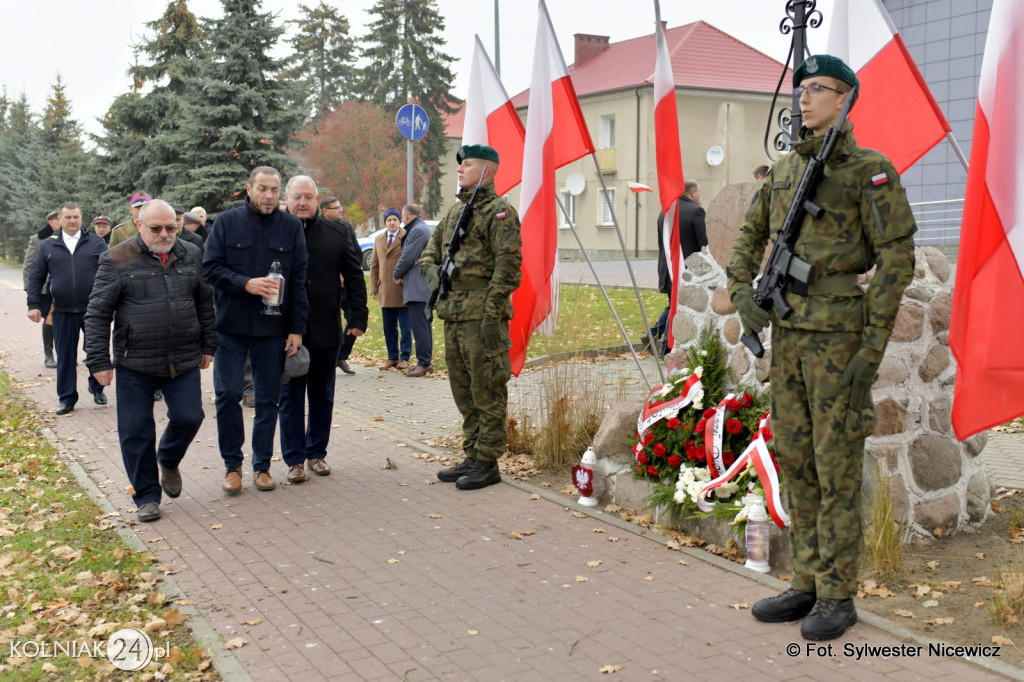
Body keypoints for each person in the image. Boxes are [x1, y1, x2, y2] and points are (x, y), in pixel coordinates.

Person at [728, 55, 916, 641]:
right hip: (790, 343)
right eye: (801, 89)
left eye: (818, 89)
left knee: (836, 470)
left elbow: (897, 262)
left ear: (846, 99)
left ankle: (838, 594)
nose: (804, 99)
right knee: (797, 464)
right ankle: (806, 580)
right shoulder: (784, 171)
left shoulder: (869, 171)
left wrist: (870, 348)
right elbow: (747, 240)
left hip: (840, 339)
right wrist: (743, 295)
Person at [84, 200, 217, 522]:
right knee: (135, 430)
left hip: (182, 357)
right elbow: (98, 314)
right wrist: (99, 361)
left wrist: (208, 345)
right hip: (134, 362)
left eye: (171, 227)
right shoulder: (116, 259)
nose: (164, 234)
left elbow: (204, 303)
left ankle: (168, 459)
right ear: (139, 226)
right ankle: (146, 496)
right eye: (155, 228)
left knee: (189, 416)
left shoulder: (191, 254)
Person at [419, 144, 522, 490]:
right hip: (454, 314)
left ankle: (488, 461)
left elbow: (508, 269)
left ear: (488, 171)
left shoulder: (500, 213)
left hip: (482, 318)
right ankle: (473, 454)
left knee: (487, 389)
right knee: (463, 390)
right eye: (461, 165)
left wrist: (492, 314)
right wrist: (436, 277)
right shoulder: (453, 215)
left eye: (469, 164)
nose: (460, 169)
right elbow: (428, 255)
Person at [203, 166, 310, 494]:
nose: (268, 195)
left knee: (268, 400)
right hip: (231, 327)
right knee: (228, 396)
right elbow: (210, 269)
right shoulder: (225, 222)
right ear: (249, 189)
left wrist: (296, 329)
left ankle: (261, 466)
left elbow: (300, 281)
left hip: (272, 330)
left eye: (274, 189)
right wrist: (244, 284)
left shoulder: (291, 227)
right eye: (262, 188)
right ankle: (232, 466)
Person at [279, 176, 367, 483]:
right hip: (287, 331)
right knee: (290, 397)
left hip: (326, 327)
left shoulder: (338, 231)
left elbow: (354, 276)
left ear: (317, 199)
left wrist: (357, 317)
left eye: (308, 197)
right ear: (286, 199)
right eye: (296, 197)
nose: (302, 202)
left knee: (322, 395)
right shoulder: (275, 231)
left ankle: (316, 453)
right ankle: (294, 460)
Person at [26, 202, 108, 414]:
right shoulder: (48, 246)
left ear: (81, 219)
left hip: (93, 311)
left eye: (76, 217)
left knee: (96, 351)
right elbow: (36, 276)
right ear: (60, 220)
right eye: (68, 217)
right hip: (61, 310)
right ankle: (67, 398)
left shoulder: (96, 243)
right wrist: (34, 305)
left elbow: (110, 274)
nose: (72, 221)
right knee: (65, 357)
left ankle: (97, 388)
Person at [647, 180, 707, 353]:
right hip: (687, 271)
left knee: (674, 305)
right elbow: (704, 244)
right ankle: (665, 347)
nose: (700, 197)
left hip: (667, 269)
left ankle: (653, 333)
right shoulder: (696, 211)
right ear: (693, 192)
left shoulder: (665, 212)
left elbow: (661, 244)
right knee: (678, 308)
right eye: (699, 193)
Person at [320, 196, 362, 374]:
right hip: (326, 287)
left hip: (345, 286)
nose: (340, 210)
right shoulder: (317, 229)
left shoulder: (346, 227)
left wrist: (347, 273)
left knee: (354, 320)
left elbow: (356, 254)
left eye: (340, 207)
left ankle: (341, 356)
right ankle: (327, 358)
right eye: (335, 208)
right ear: (324, 211)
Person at [394, 204, 433, 377]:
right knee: (424, 326)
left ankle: (423, 363)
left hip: (418, 286)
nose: (402, 220)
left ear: (407, 216)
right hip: (421, 285)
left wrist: (396, 273)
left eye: (402, 217)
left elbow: (408, 256)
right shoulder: (421, 228)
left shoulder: (417, 230)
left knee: (420, 326)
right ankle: (426, 361)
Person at [370, 208, 411, 370]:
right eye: (389, 220)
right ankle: (392, 357)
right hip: (385, 291)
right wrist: (374, 287)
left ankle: (405, 357)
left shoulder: (406, 237)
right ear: (385, 222)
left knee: (405, 327)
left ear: (400, 221)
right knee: (388, 328)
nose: (392, 222)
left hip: (402, 289)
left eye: (395, 219)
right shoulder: (379, 239)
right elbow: (374, 265)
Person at [23, 209, 60, 368]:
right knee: (50, 320)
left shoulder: (71, 238)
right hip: (46, 288)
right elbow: (28, 266)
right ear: (51, 222)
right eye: (59, 220)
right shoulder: (38, 239)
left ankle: (64, 353)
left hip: (66, 288)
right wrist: (29, 290)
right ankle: (48, 354)